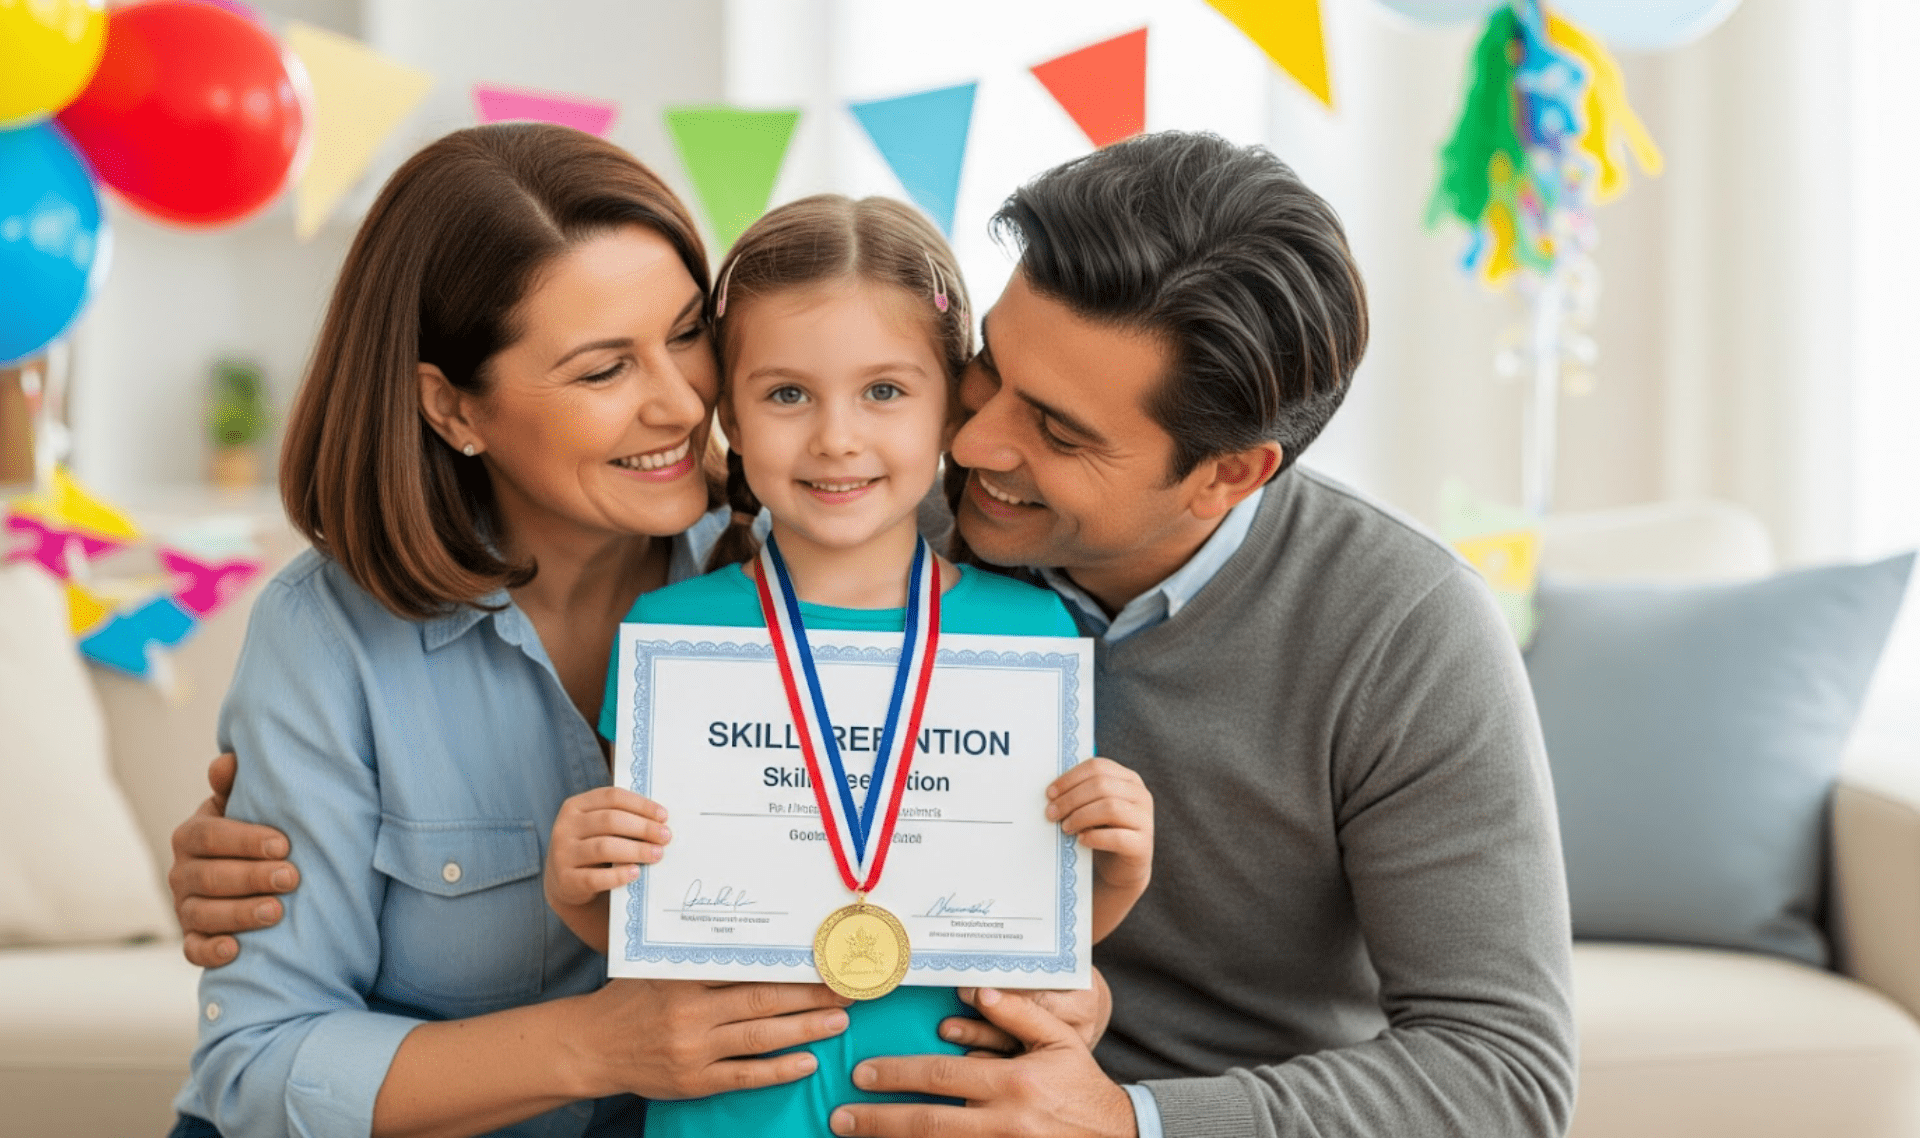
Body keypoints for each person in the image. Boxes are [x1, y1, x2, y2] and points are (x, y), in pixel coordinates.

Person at [173, 131, 1577, 1138]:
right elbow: (270, 1050)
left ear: (1227, 474)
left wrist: (1126, 1112)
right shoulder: (826, 537)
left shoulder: (1398, 627)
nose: (975, 438)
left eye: (1058, 429)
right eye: (990, 377)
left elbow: (1507, 1071)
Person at [165, 123, 895, 1138]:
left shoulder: (824, 560)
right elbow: (256, 1064)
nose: (683, 403)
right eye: (605, 371)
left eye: (687, 333)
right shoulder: (327, 636)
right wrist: (599, 1043)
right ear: (453, 409)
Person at [544, 193, 1154, 1137]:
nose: (836, 436)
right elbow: (652, 939)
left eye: (884, 391)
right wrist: (575, 887)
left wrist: (1117, 874)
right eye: (787, 394)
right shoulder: (673, 635)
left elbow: (1037, 928)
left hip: (951, 1101)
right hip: (735, 1110)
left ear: (953, 404)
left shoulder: (1032, 637)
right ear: (730, 422)